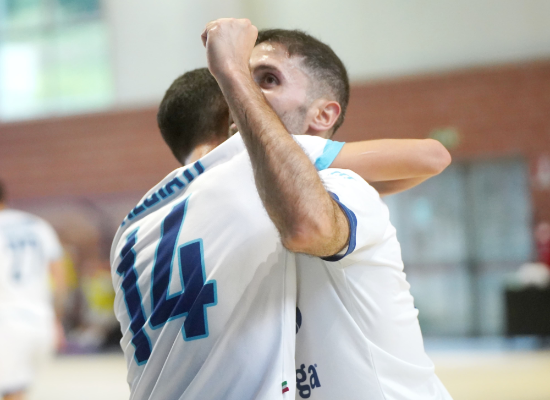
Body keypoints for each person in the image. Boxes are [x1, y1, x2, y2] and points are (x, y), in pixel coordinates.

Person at [111, 20, 450, 400]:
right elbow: (429, 158)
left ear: (323, 115)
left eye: (268, 79)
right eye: (244, 79)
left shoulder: (134, 226)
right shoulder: (246, 168)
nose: (244, 93)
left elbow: (430, 157)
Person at [0, 181, 67, 400]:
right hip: (41, 321)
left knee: (12, 393)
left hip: (7, 321)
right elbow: (60, 279)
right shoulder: (38, 225)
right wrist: (57, 320)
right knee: (17, 391)